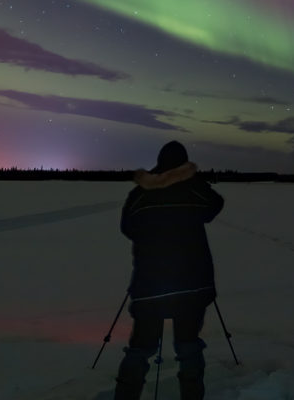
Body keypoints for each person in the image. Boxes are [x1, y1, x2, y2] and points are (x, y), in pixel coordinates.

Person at [114, 141, 224, 400]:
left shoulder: (140, 194)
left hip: (149, 285)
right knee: (189, 347)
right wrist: (194, 180)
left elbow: (128, 228)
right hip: (192, 285)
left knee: (140, 349)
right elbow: (214, 206)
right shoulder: (194, 191)